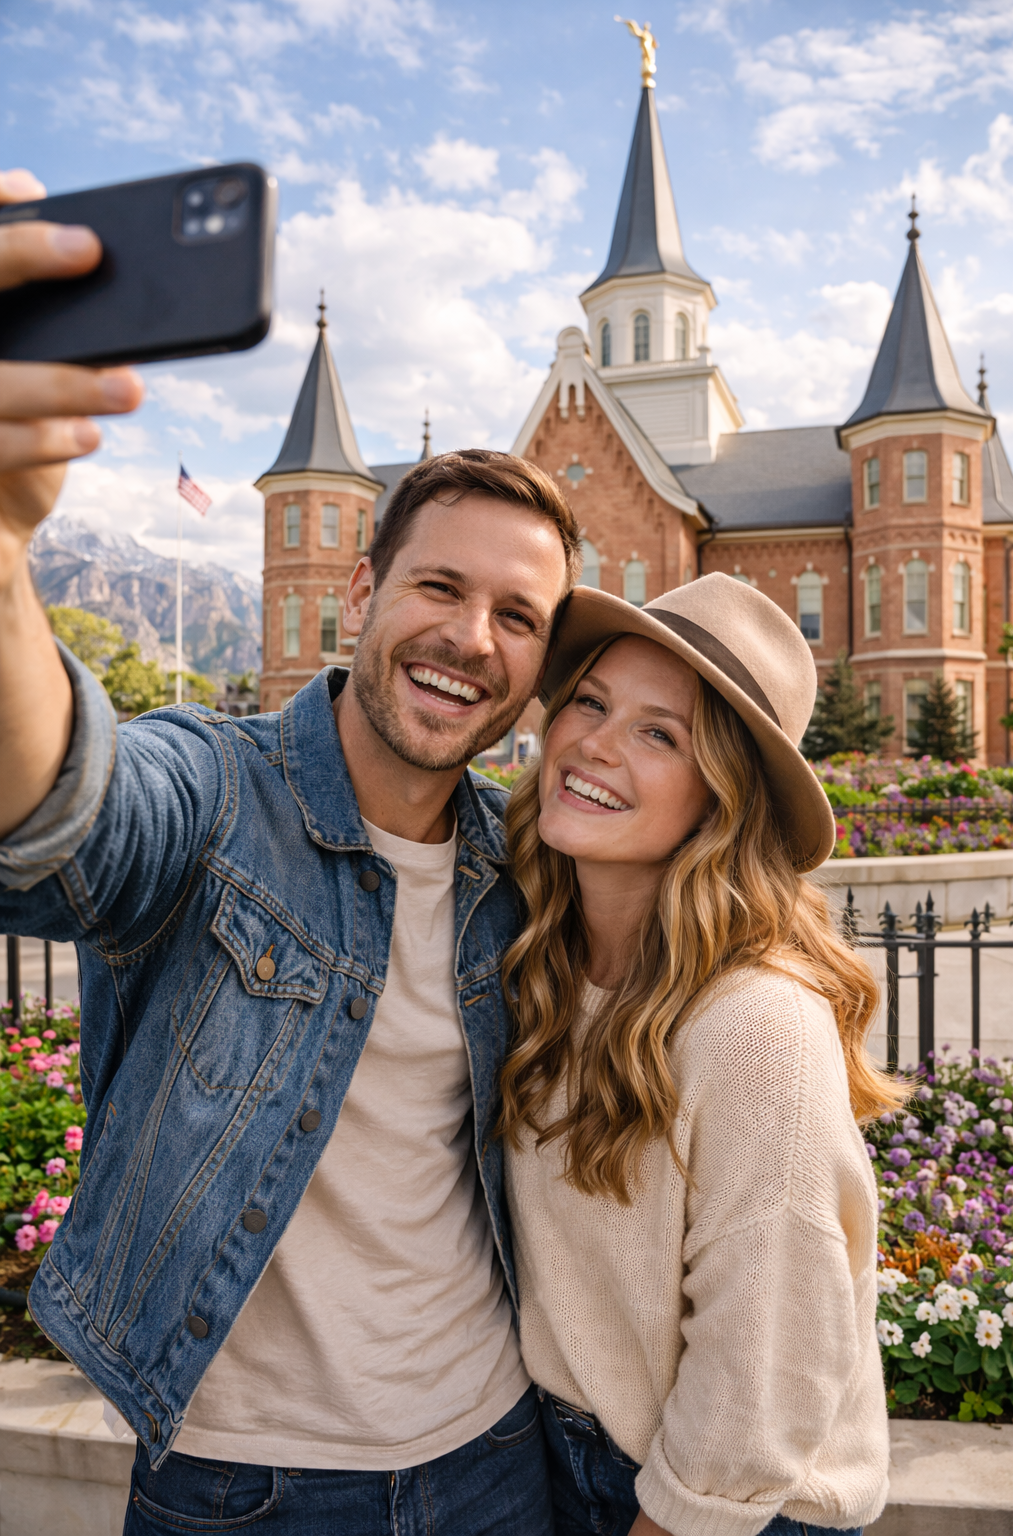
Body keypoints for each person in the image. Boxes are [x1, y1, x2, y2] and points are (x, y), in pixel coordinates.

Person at [0, 168, 577, 1533]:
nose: (471, 640)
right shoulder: (218, 792)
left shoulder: (526, 865)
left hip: (499, 1461)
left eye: (519, 615)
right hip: (240, 1487)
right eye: (438, 586)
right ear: (360, 592)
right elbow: (65, 830)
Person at [499, 573, 907, 1536]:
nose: (595, 743)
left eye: (660, 733)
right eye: (591, 702)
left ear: (723, 797)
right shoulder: (544, 962)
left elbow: (762, 1375)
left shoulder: (756, 1024)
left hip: (723, 1504)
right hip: (573, 1462)